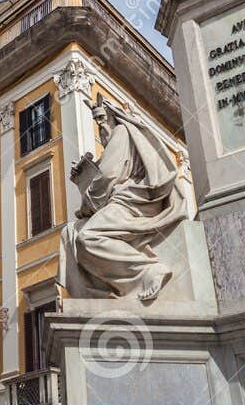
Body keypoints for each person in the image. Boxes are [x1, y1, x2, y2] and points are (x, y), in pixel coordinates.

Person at [59, 96, 191, 303]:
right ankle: (97, 295)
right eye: (97, 121)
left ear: (114, 117)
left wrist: (86, 205)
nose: (101, 126)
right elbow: (105, 179)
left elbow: (107, 177)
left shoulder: (121, 132)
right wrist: (82, 177)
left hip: (133, 201)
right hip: (123, 201)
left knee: (88, 237)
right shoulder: (120, 140)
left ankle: (148, 271)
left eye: (102, 118)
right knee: (69, 233)